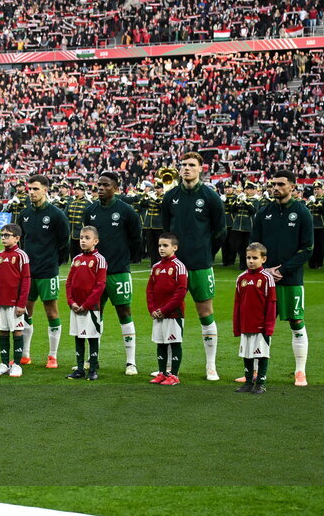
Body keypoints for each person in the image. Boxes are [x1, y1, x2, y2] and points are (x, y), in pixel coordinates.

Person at [160, 151, 226, 381]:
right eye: (183, 165)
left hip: (200, 265)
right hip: (174, 267)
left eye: (191, 165)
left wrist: (205, 252)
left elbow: (220, 232)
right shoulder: (170, 197)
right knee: (171, 313)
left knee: (205, 312)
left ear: (201, 168)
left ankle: (210, 365)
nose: (186, 168)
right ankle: (168, 366)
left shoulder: (210, 197)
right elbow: (166, 230)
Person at [249, 170, 313, 386]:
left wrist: (282, 270)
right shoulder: (263, 212)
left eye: (280, 184)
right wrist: (264, 270)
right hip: (264, 280)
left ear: (292, 187)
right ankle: (256, 372)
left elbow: (308, 248)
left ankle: (300, 371)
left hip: (291, 279)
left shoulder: (302, 212)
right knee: (261, 326)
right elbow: (253, 245)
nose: (275, 188)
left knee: (296, 323)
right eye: (272, 184)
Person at [84, 171, 144, 375]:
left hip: (118, 272)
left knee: (124, 312)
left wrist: (124, 259)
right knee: (94, 314)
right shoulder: (90, 210)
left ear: (116, 188)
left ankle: (131, 362)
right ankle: (92, 359)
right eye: (98, 185)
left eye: (105, 185)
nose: (100, 188)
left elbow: (137, 239)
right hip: (95, 273)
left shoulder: (126, 211)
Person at [14, 174, 69, 369]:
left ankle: (52, 356)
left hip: (47, 271)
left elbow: (64, 243)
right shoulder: (25, 214)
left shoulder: (56, 214)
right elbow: (20, 240)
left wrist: (53, 263)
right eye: (30, 189)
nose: (32, 192)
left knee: (51, 311)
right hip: (28, 272)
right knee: (25, 312)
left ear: (45, 190)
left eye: (36, 189)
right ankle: (25, 354)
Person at [233, 243, 277, 394]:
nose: (251, 261)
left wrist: (269, 326)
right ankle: (248, 381)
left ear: (263, 259)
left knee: (262, 354)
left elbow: (271, 304)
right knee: (247, 354)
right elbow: (237, 303)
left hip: (261, 326)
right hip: (246, 324)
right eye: (248, 258)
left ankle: (260, 383)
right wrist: (237, 325)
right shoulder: (241, 278)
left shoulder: (266, 278)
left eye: (255, 258)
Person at [0, 224, 30, 378]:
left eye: (7, 235)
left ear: (17, 238)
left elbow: (26, 281)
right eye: (2, 235)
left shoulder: (21, 256)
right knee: (3, 331)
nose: (4, 238)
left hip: (15, 304)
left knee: (17, 331)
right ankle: (4, 363)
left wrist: (21, 303)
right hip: (1, 303)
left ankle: (17, 364)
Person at [146, 233, 189, 386]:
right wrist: (152, 309)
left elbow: (180, 292)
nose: (161, 248)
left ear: (174, 248)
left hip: (173, 314)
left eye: (165, 245)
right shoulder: (156, 267)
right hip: (158, 314)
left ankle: (174, 375)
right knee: (161, 343)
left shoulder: (179, 267)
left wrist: (164, 310)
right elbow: (149, 290)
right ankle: (162, 373)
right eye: (159, 245)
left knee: (174, 343)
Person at [65, 226, 106, 381]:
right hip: (76, 308)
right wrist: (71, 302)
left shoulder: (99, 260)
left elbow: (100, 285)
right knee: (78, 337)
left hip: (91, 308)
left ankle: (93, 369)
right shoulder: (76, 259)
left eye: (87, 238)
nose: (83, 240)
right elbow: (69, 283)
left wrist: (87, 304)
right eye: (81, 237)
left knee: (92, 337)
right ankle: (80, 369)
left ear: (95, 241)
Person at [64, 181, 91, 258]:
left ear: (83, 191)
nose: (76, 191)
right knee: (73, 256)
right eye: (75, 189)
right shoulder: (70, 203)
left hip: (82, 233)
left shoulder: (87, 203)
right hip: (71, 233)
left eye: (78, 189)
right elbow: (65, 216)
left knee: (82, 255)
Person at [307, 180, 324, 269]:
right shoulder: (311, 199)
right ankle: (311, 263)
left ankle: (319, 263)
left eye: (318, 189)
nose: (316, 191)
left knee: (320, 246)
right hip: (311, 225)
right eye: (315, 189)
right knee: (311, 246)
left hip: (320, 225)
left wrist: (315, 201)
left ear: (322, 190)